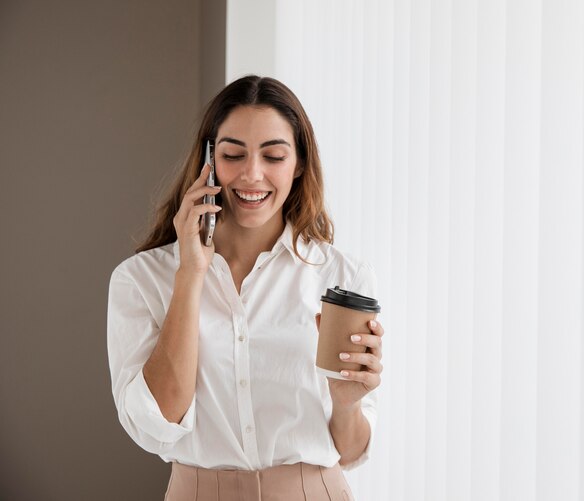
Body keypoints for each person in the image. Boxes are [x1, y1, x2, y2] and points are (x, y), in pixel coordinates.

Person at [107, 75, 384, 501]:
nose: (252, 174)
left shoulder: (341, 276)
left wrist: (346, 403)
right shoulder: (140, 279)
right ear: (208, 162)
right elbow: (157, 421)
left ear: (300, 164)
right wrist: (189, 274)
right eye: (233, 154)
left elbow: (349, 451)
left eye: (273, 155)